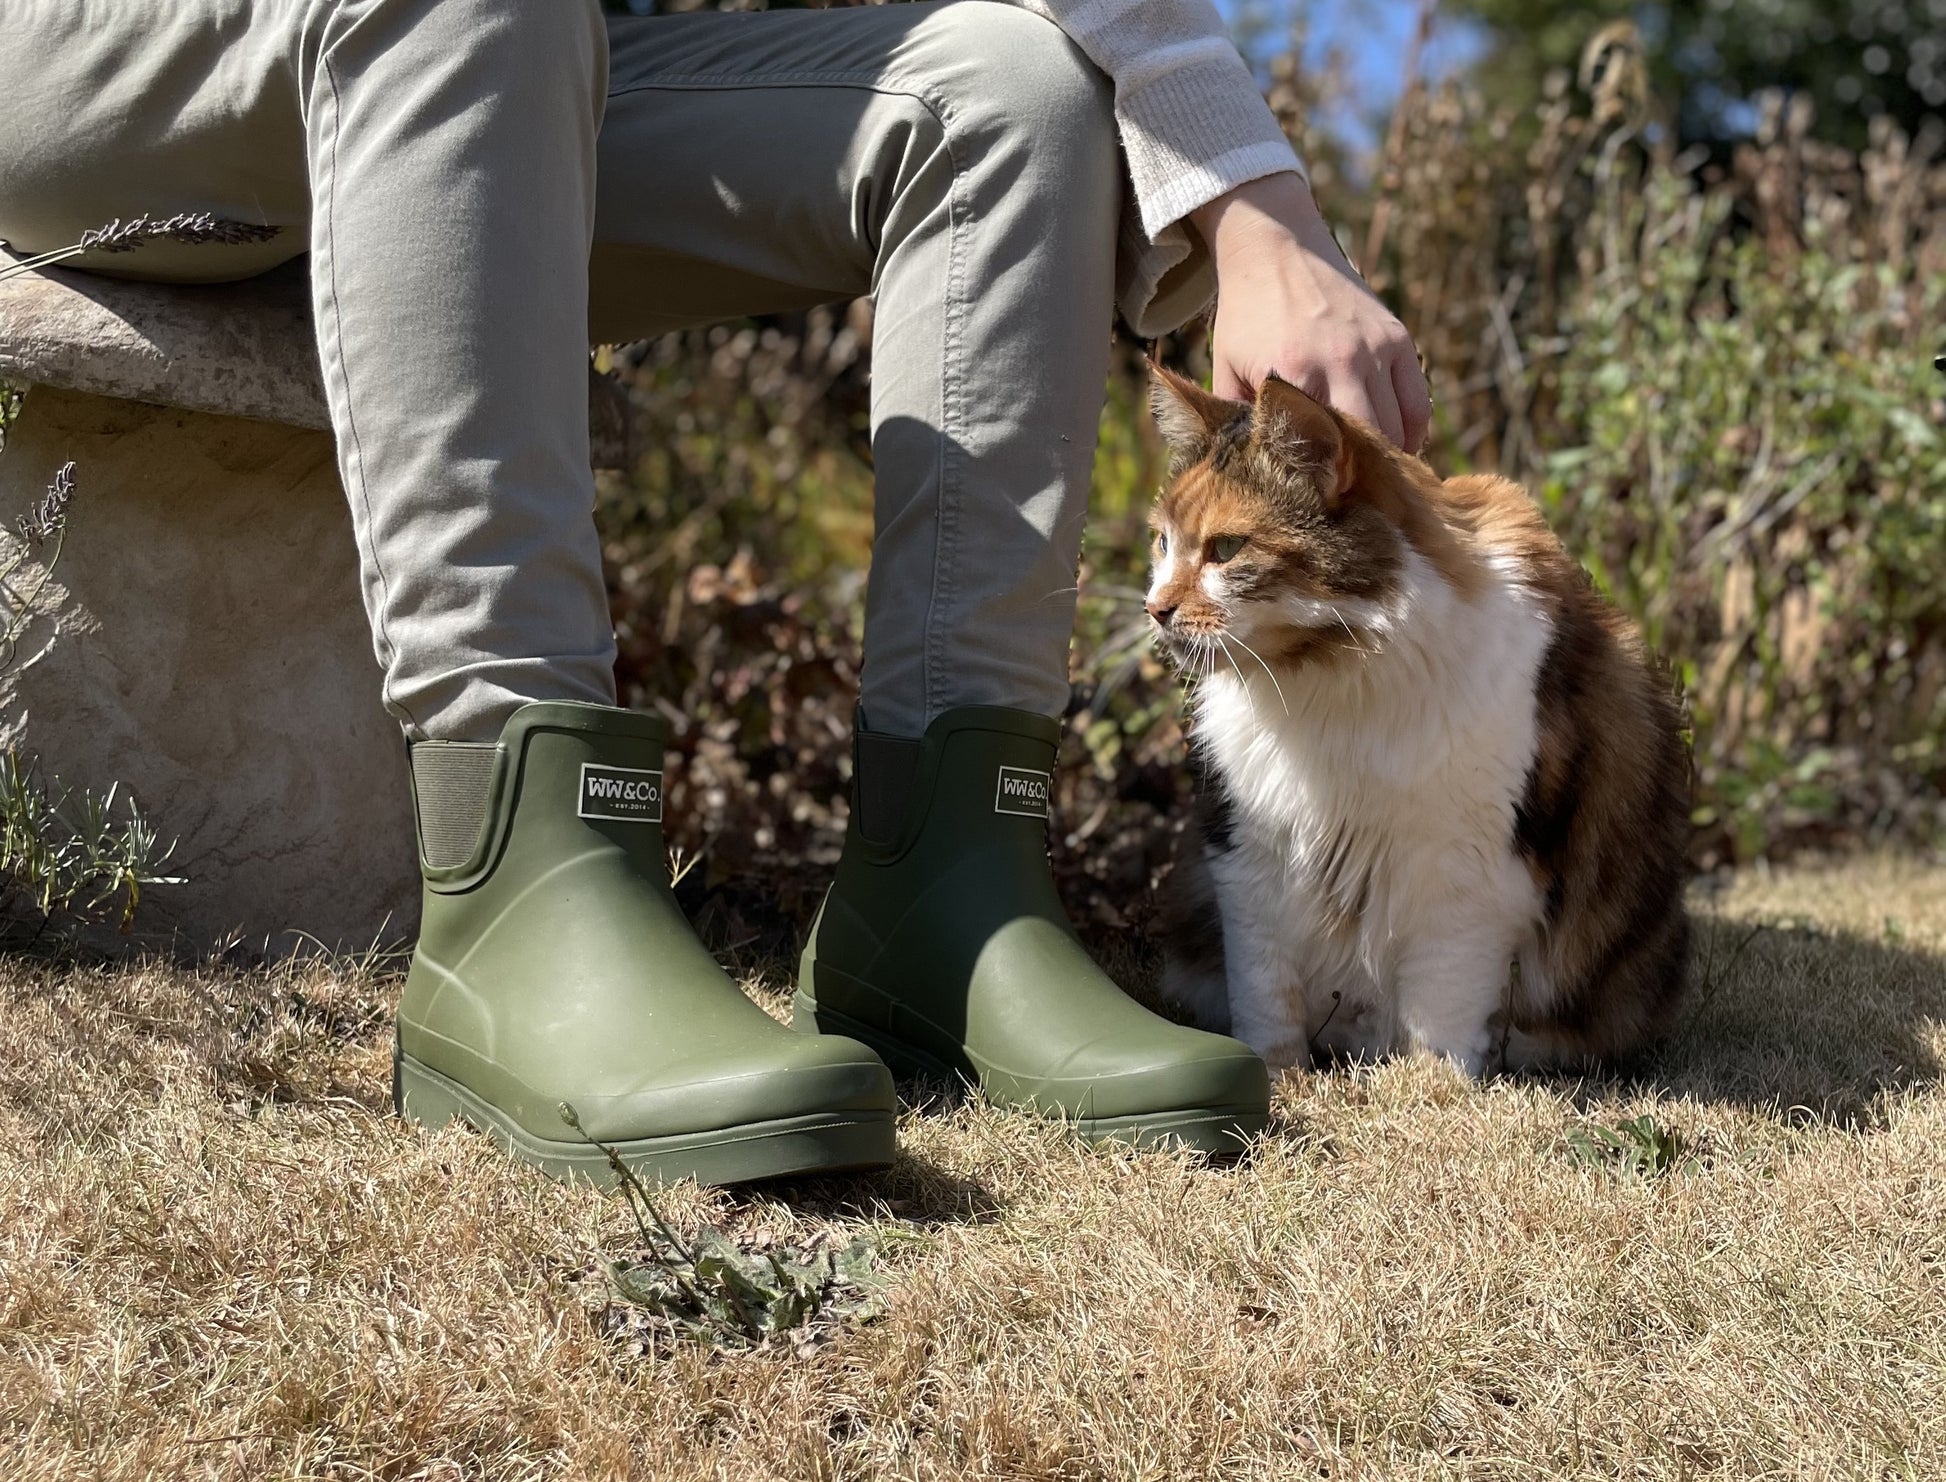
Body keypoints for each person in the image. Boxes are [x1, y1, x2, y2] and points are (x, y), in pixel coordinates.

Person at [0, 0, 1430, 1186]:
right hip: (100, 65)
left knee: (1004, 95)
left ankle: (944, 897)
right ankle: (521, 897)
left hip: (492, 66)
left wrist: (1262, 216)